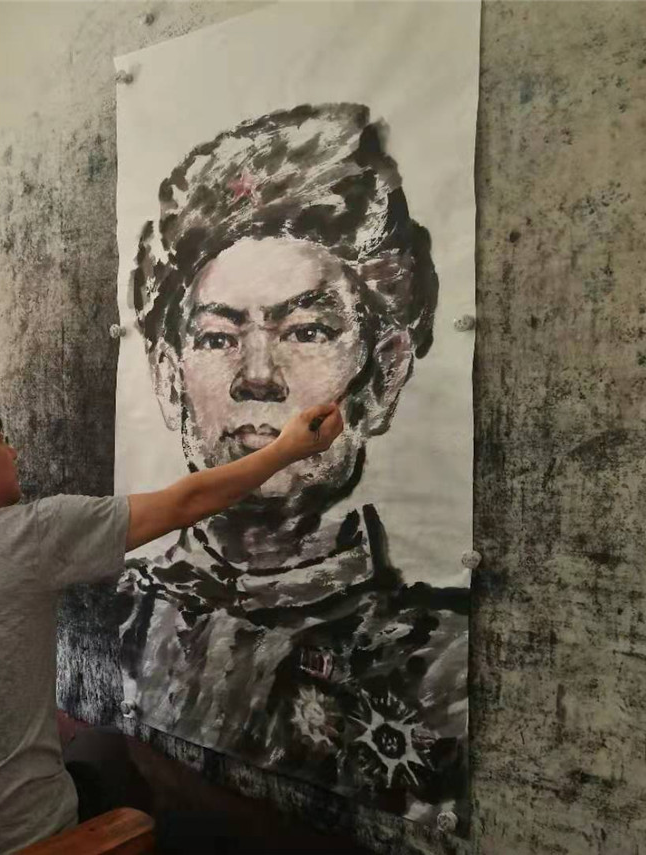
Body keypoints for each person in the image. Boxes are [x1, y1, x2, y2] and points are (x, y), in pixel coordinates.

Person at [116, 103, 468, 828]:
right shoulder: (119, 612)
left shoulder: (442, 660)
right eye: (218, 338)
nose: (258, 377)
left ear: (384, 372)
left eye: (306, 331)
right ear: (169, 379)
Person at [0, 390, 343, 855]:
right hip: (17, 845)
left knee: (89, 742)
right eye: (1, 440)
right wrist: (286, 449)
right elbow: (183, 503)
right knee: (121, 764)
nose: (13, 451)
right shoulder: (29, 533)